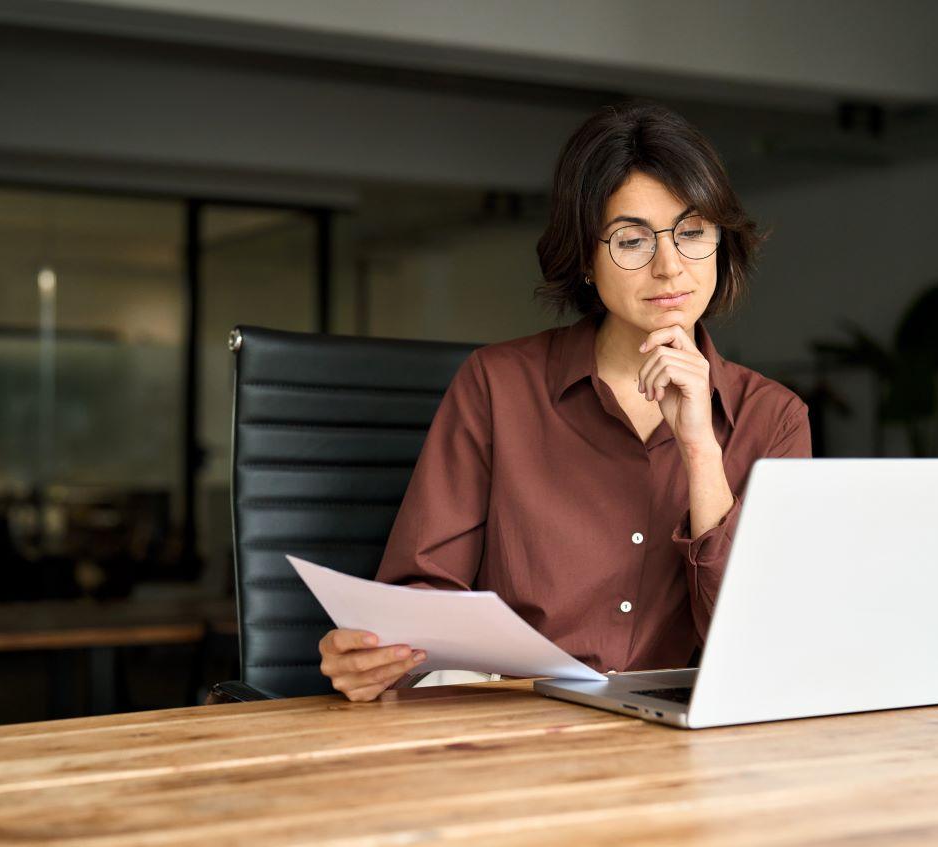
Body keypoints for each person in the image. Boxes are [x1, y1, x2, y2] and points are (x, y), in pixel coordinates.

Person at [319, 101, 811, 701]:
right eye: (631, 240)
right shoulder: (497, 385)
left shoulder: (775, 418)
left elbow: (764, 641)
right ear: (584, 257)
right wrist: (380, 654)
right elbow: (425, 589)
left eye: (692, 233)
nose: (669, 266)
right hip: (514, 727)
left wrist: (701, 450)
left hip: (676, 740)